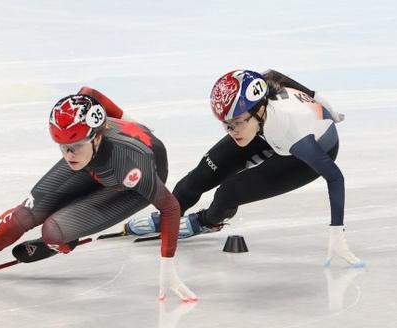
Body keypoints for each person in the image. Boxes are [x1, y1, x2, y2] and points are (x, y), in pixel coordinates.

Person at [0, 88, 197, 301]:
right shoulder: (81, 144)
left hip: (129, 186)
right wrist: (131, 120)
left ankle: (61, 242)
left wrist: (167, 266)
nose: (68, 155)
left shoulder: (129, 163)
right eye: (62, 147)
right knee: (24, 215)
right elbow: (89, 92)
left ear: (95, 137)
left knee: (54, 229)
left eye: (75, 147)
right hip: (95, 164)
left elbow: (170, 207)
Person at [126, 69, 364, 267]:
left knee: (229, 191)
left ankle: (208, 222)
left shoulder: (294, 134)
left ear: (259, 110)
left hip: (303, 155)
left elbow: (335, 178)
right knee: (198, 178)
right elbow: (272, 74)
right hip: (265, 129)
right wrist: (318, 97)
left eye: (237, 123)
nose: (232, 131)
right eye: (226, 125)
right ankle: (169, 215)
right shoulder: (252, 106)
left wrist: (336, 234)